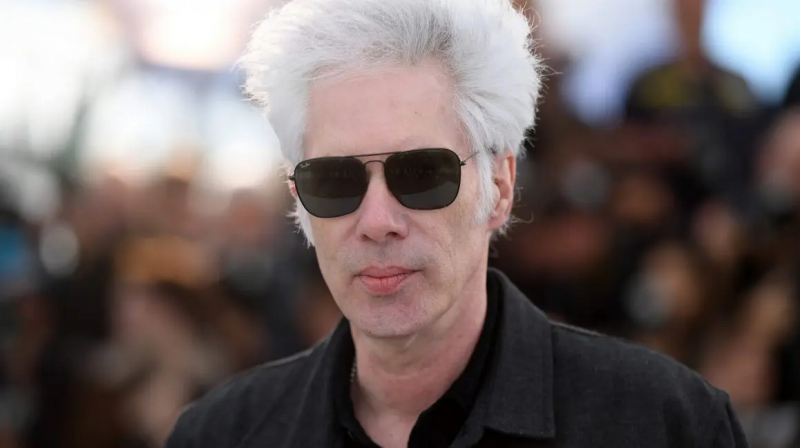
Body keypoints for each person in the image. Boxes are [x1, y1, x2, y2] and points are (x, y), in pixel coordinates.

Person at [166, 1, 748, 447]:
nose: (377, 221)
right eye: (335, 181)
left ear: (499, 188)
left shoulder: (664, 423)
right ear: (299, 201)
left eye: (422, 174)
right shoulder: (220, 435)